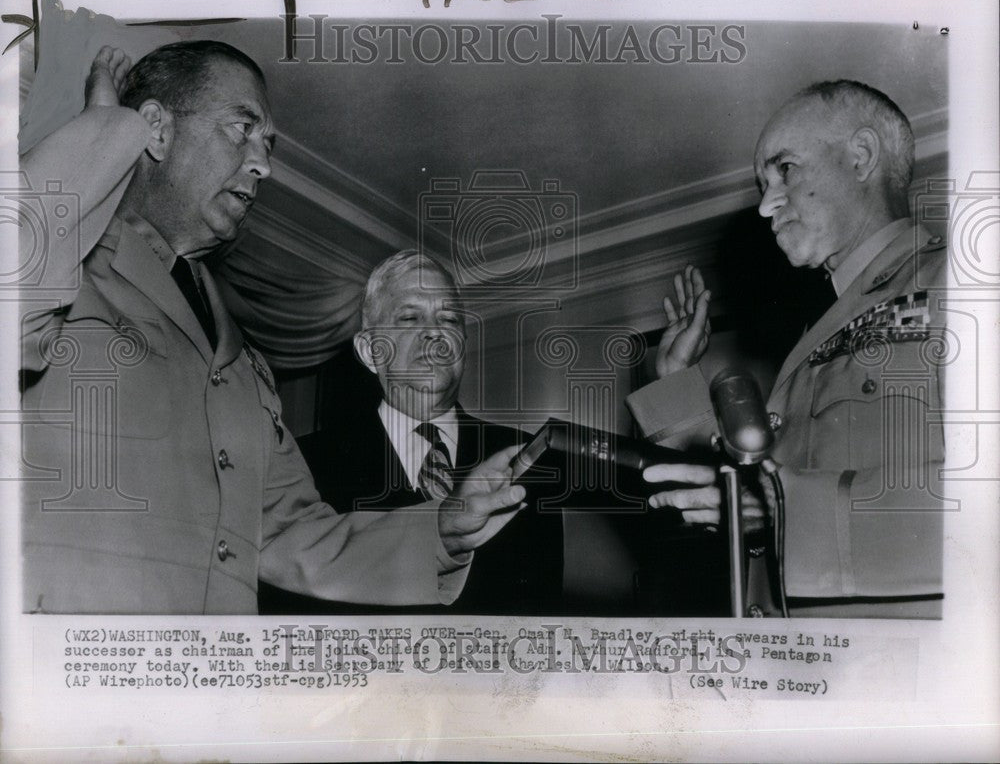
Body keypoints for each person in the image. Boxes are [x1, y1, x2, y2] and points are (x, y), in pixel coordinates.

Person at [18, 43, 525, 614]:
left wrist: (444, 530)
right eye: (243, 128)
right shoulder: (67, 283)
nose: (264, 165)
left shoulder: (245, 366)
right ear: (155, 131)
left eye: (269, 145)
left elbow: (290, 535)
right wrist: (106, 131)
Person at [630, 80, 947, 618]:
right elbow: (756, 485)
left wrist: (784, 511)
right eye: (761, 184)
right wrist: (676, 379)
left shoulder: (958, 278)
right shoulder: (815, 333)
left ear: (861, 156)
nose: (765, 205)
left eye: (785, 169)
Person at [261, 250, 564, 614]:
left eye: (449, 318)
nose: (435, 332)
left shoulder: (527, 459)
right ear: (370, 350)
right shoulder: (304, 465)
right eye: (409, 317)